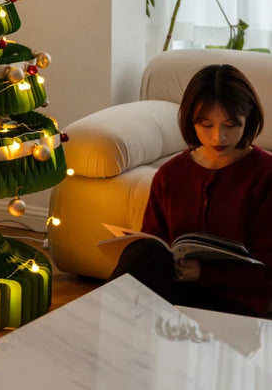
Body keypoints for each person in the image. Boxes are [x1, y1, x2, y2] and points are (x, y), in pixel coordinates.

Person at [108, 63, 272, 317]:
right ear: (191, 121)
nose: (219, 138)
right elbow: (153, 243)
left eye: (231, 125)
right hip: (177, 291)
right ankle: (101, 331)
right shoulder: (171, 174)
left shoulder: (265, 175)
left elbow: (268, 267)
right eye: (206, 125)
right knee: (142, 252)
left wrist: (205, 273)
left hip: (239, 301)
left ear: (248, 119)